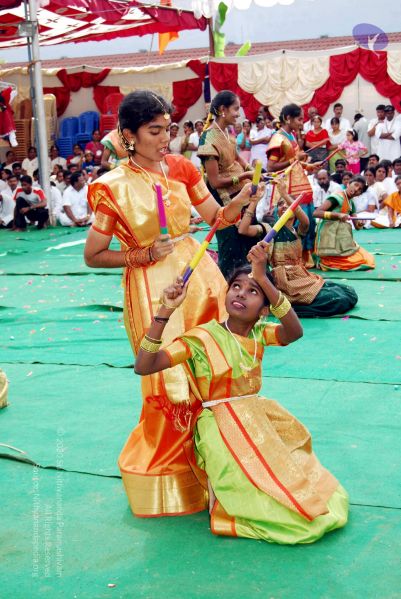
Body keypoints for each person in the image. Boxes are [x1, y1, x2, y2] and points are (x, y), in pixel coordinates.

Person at [84, 90, 264, 518]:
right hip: (152, 286)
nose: (166, 138)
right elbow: (93, 255)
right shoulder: (112, 187)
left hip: (200, 276)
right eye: (154, 131)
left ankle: (220, 460)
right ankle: (177, 473)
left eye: (168, 129)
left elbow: (215, 218)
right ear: (129, 135)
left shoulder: (181, 167)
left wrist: (240, 202)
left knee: (211, 364)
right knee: (169, 378)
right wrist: (143, 254)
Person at [133, 250, 349, 543]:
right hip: (219, 425)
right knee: (252, 488)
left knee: (296, 474)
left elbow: (294, 332)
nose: (241, 294)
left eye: (253, 291)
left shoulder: (260, 334)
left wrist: (264, 278)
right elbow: (144, 366)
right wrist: (164, 312)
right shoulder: (201, 338)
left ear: (264, 309)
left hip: (258, 419)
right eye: (236, 286)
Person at [238, 178, 358, 316]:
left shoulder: (298, 230)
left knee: (346, 292)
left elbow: (305, 220)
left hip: (301, 275)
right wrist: (253, 202)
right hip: (284, 282)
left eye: (288, 204)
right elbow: (243, 229)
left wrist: (284, 194)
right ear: (276, 210)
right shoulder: (269, 229)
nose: (284, 206)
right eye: (280, 204)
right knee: (336, 300)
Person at [197, 90, 255, 278]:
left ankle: (249, 283)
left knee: (247, 241)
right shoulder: (208, 138)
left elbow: (236, 155)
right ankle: (229, 285)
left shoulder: (228, 132)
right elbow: (215, 181)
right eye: (236, 109)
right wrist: (244, 176)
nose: (239, 114)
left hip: (241, 193)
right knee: (231, 245)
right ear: (223, 109)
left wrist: (251, 168)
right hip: (224, 199)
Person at [266, 103, 320, 268]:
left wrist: (308, 166)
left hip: (300, 185)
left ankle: (306, 255)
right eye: (299, 119)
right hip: (287, 188)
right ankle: (293, 258)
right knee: (293, 223)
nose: (302, 123)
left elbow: (294, 163)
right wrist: (295, 159)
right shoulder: (278, 138)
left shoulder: (291, 136)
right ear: (288, 118)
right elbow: (271, 167)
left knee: (308, 220)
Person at [313, 176, 375, 271]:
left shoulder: (351, 203)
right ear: (348, 184)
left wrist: (361, 223)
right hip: (329, 236)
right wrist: (338, 215)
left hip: (342, 238)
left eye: (360, 189)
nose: (356, 189)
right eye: (356, 185)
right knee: (358, 261)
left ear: (360, 194)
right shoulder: (336, 198)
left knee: (366, 259)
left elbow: (357, 226)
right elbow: (316, 213)